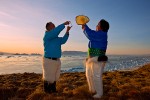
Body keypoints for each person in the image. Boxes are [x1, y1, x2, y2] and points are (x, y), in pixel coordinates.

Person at [82, 19, 109, 98]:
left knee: (96, 76)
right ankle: (92, 90)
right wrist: (85, 27)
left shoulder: (102, 34)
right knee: (89, 75)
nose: (96, 26)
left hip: (98, 58)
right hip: (92, 58)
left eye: (98, 24)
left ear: (101, 27)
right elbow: (91, 34)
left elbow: (90, 34)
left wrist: (84, 25)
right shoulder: (99, 34)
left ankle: (99, 93)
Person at [42, 21, 72, 93]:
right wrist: (63, 24)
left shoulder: (56, 38)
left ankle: (53, 91)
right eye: (53, 26)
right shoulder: (47, 35)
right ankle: (47, 93)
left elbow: (63, 40)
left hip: (57, 60)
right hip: (49, 60)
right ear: (48, 27)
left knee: (55, 77)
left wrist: (67, 31)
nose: (55, 27)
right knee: (48, 78)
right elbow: (55, 32)